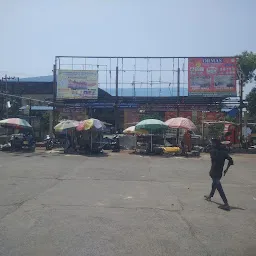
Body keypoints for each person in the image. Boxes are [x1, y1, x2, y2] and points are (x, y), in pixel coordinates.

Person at [204, 138, 234, 211]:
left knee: (218, 187)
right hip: (218, 172)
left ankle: (226, 204)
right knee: (214, 184)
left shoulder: (213, 151)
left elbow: (207, 150)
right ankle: (210, 196)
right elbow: (231, 160)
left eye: (212, 143)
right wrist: (226, 169)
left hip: (214, 172)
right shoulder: (223, 152)